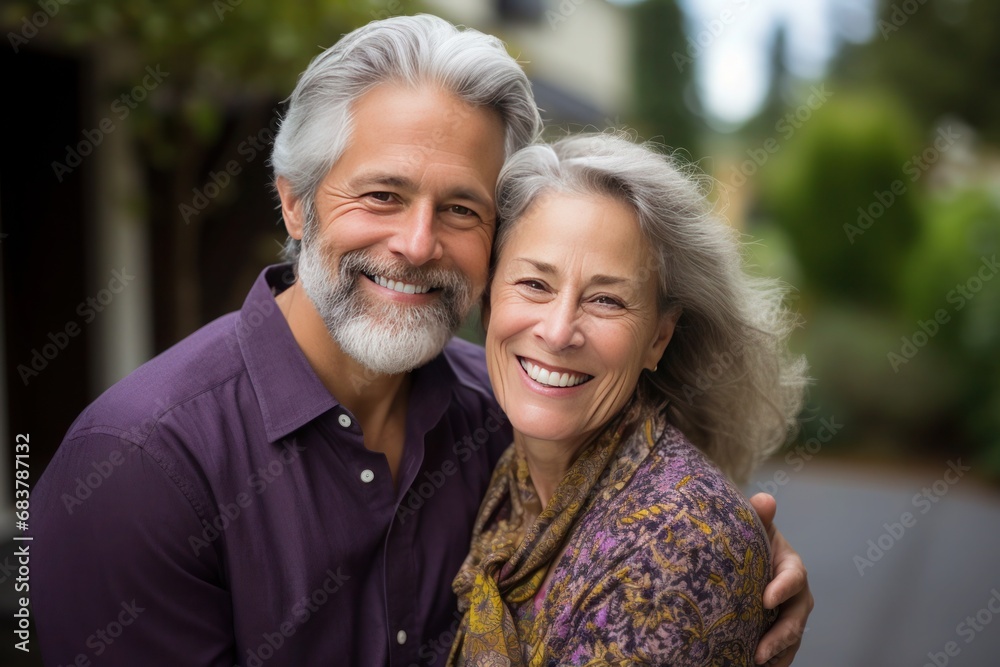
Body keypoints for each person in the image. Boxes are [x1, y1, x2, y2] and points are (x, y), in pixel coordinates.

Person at [30, 14, 811, 667]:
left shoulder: (505, 417)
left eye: (461, 210)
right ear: (296, 205)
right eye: (382, 194)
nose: (415, 243)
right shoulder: (140, 466)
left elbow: (648, 535)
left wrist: (736, 574)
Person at [447, 133, 809, 666]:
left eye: (606, 299)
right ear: (488, 299)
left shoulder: (678, 547)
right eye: (534, 284)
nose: (558, 330)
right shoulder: (495, 465)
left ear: (659, 338)